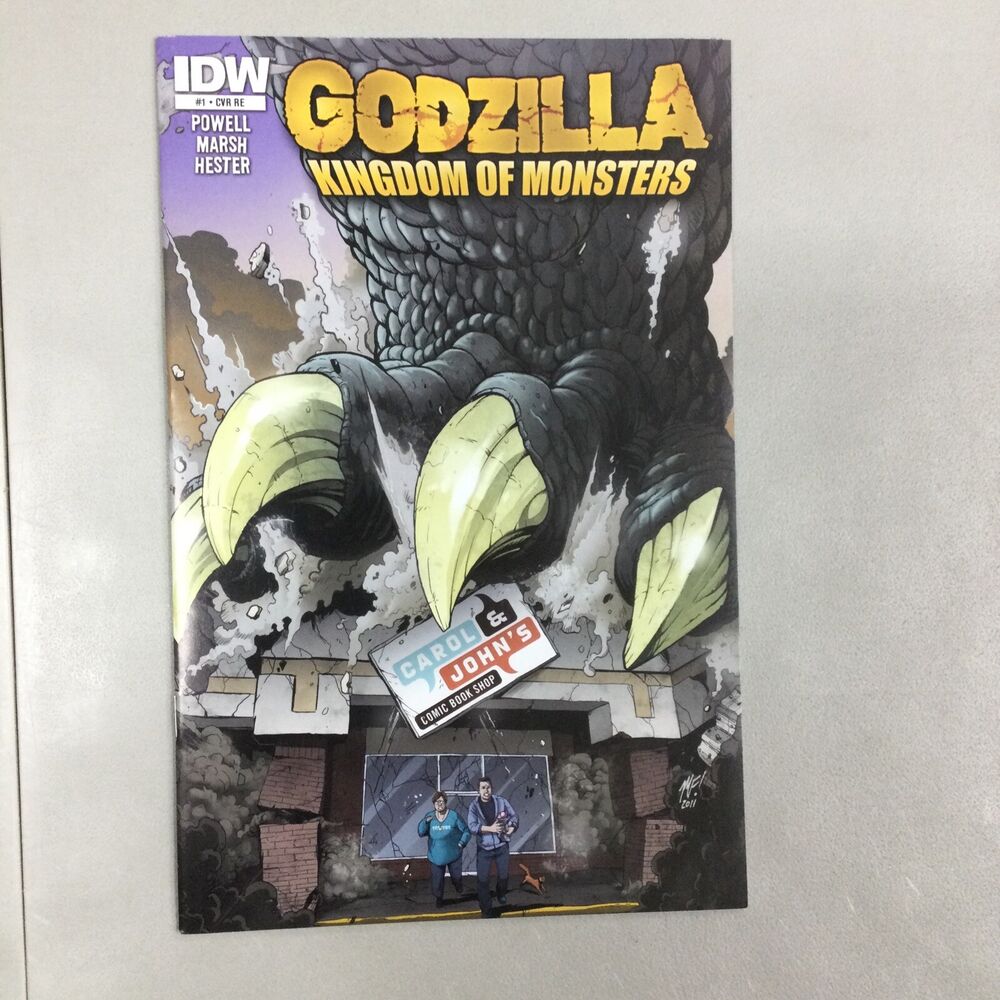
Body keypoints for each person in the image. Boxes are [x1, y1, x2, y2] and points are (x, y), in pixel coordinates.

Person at [467, 776, 519, 917]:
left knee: (503, 876)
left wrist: (511, 828)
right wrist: (490, 829)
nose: (486, 791)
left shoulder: (501, 802)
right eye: (483, 788)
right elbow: (472, 827)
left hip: (502, 845)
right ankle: (486, 910)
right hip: (484, 849)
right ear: (478, 790)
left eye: (488, 787)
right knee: (483, 880)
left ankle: (501, 893)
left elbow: (514, 817)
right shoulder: (474, 806)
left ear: (492, 788)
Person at [417, 791, 471, 907]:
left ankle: (458, 885)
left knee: (456, 877)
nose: (439, 804)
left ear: (446, 802)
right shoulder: (430, 817)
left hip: (453, 854)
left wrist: (461, 843)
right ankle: (439, 899)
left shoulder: (454, 816)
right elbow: (420, 832)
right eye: (437, 802)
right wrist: (425, 822)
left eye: (441, 801)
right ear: (434, 804)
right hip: (436, 856)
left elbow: (466, 831)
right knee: (437, 881)